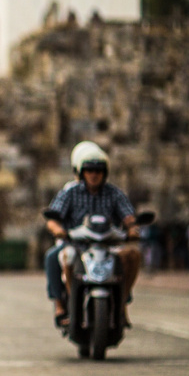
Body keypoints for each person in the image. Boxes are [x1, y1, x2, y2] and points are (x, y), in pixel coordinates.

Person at [44, 141, 141, 329]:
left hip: (107, 244)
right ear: (81, 172)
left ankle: (121, 303)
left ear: (105, 173)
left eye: (98, 170)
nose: (94, 175)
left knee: (132, 255)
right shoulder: (70, 192)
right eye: (89, 170)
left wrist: (132, 229)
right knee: (60, 256)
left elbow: (128, 216)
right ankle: (64, 304)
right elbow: (53, 217)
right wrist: (58, 229)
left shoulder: (113, 193)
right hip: (77, 244)